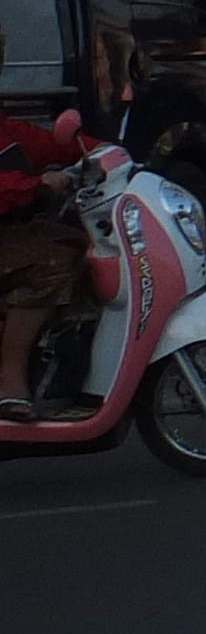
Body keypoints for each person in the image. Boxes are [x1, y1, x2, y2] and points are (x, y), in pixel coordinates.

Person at [0, 108, 91, 423]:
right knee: (50, 263)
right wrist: (35, 185)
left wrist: (106, 152)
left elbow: (49, 145)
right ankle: (9, 380)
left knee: (76, 242)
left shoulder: (7, 130)